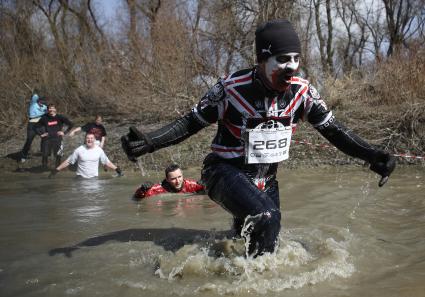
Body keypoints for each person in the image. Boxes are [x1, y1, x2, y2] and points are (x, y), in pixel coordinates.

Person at [121, 19, 396, 257]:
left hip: (267, 179)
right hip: (222, 172)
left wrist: (371, 154)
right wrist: (151, 141)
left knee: (257, 239)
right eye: (283, 59)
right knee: (267, 218)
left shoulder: (302, 93)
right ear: (262, 60)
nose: (292, 67)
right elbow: (190, 122)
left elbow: (334, 130)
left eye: (296, 59)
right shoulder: (231, 89)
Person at [52, 133, 122, 178]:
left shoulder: (99, 150)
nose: (89, 140)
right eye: (88, 138)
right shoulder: (79, 149)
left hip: (94, 178)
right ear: (85, 140)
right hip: (80, 178)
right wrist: (56, 170)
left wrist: (117, 169)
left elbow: (106, 162)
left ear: (94, 140)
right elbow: (69, 161)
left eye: (91, 138)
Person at [134, 164, 205, 199]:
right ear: (167, 179)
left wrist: (206, 184)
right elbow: (137, 197)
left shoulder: (192, 185)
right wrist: (142, 189)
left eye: (179, 177)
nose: (178, 181)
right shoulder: (159, 189)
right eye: (173, 179)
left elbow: (210, 190)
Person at [36, 103, 73, 170]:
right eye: (50, 108)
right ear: (47, 110)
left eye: (52, 108)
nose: (51, 109)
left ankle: (57, 169)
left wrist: (64, 132)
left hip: (58, 138)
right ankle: (44, 168)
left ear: (55, 109)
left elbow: (71, 124)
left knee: (58, 155)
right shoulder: (44, 118)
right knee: (45, 154)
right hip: (47, 139)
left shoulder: (60, 117)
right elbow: (36, 127)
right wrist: (41, 134)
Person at [20, 92, 47, 162]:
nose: (42, 102)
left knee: (45, 137)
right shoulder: (33, 104)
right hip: (32, 125)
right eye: (40, 100)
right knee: (29, 140)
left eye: (43, 101)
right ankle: (23, 156)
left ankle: (43, 152)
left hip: (41, 125)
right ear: (37, 100)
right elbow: (35, 96)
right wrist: (36, 92)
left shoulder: (45, 107)